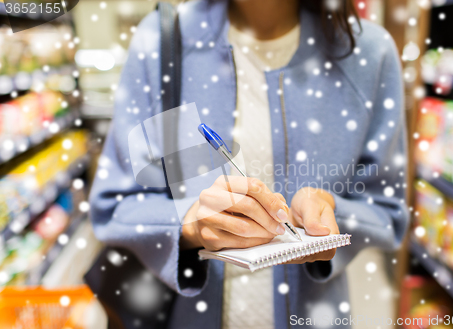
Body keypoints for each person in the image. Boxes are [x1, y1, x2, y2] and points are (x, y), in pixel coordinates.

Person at [90, 0, 409, 328]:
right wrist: (189, 226)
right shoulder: (161, 43)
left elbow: (387, 211)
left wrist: (330, 215)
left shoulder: (368, 53)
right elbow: (114, 206)